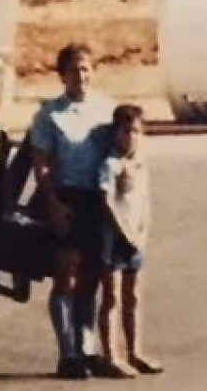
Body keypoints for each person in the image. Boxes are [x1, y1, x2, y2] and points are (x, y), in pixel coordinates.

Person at [24, 43, 116, 379]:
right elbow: (42, 166)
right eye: (74, 70)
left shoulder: (108, 109)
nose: (81, 76)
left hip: (99, 201)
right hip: (66, 199)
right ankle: (68, 353)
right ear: (62, 75)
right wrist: (53, 205)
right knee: (66, 278)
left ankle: (88, 348)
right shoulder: (49, 115)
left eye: (87, 69)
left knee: (92, 279)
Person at [94, 103, 165, 378]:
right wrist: (125, 232)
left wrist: (143, 232)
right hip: (115, 239)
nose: (131, 137)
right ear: (116, 133)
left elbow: (144, 201)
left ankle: (135, 351)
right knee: (111, 297)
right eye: (125, 131)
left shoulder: (140, 163)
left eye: (136, 131)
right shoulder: (110, 164)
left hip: (136, 239)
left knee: (132, 296)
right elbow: (106, 200)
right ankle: (111, 354)